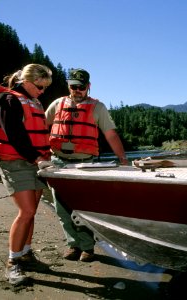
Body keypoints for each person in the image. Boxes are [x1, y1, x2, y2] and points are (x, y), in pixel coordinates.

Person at [45, 68, 128, 262]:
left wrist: (123, 159)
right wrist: (39, 155)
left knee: (83, 207)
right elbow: (41, 126)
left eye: (81, 87)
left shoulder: (98, 108)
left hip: (85, 164)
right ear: (68, 86)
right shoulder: (57, 104)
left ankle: (88, 248)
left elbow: (111, 134)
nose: (77, 90)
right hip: (58, 164)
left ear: (88, 87)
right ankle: (72, 245)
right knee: (62, 208)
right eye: (73, 86)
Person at [0, 64, 53, 285]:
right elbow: (14, 134)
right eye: (39, 87)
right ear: (26, 81)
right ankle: (12, 263)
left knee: (31, 213)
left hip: (36, 161)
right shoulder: (8, 100)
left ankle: (26, 253)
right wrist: (37, 158)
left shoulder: (34, 101)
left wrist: (42, 158)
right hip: (15, 162)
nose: (42, 92)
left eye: (45, 88)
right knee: (27, 211)